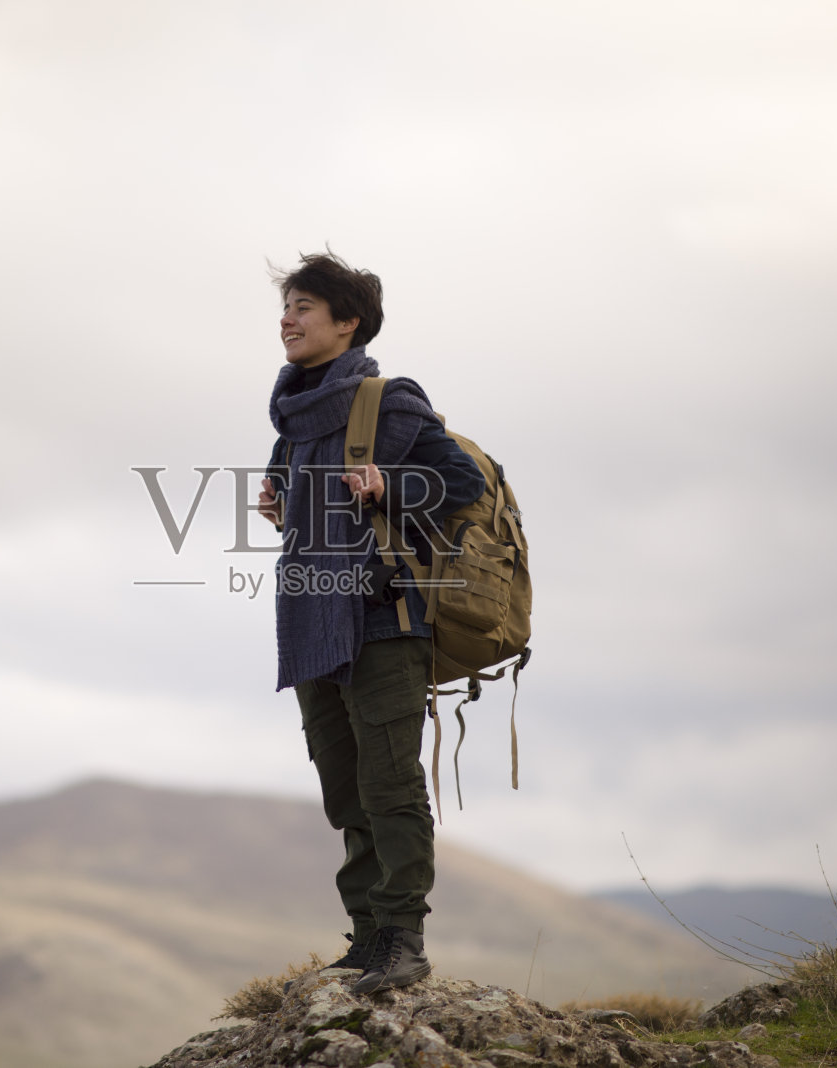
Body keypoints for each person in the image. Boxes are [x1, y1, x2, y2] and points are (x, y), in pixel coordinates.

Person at [257, 251, 484, 995]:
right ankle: (364, 940)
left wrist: (392, 483)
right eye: (285, 306)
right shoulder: (291, 417)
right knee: (346, 788)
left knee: (390, 785)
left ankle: (403, 941)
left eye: (304, 307)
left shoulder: (387, 400)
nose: (287, 319)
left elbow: (461, 483)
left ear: (347, 322)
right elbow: (305, 506)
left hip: (382, 620)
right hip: (312, 622)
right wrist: (280, 504)